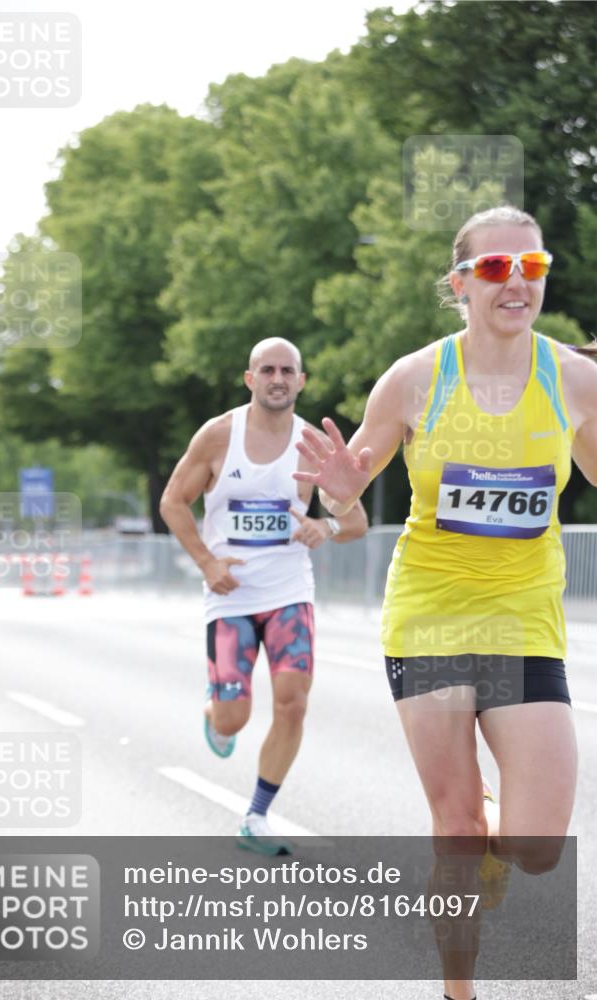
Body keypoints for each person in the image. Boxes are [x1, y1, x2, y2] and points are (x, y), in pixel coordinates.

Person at [293, 205, 597, 1000]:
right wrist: (344, 500)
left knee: (534, 847)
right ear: (459, 284)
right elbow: (348, 515)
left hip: (523, 617)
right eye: (495, 269)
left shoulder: (572, 380)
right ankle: (457, 992)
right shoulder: (416, 378)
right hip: (428, 610)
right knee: (457, 827)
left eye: (530, 268)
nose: (515, 283)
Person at [160, 337, 368, 856]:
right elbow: (172, 502)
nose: (278, 378)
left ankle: (256, 814)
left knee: (293, 703)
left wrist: (326, 525)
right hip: (230, 596)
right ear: (250, 379)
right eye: (267, 370)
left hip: (289, 592)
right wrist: (207, 562)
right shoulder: (218, 436)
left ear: (301, 381)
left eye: (288, 371)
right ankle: (215, 714)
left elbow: (356, 520)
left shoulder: (313, 448)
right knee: (234, 716)